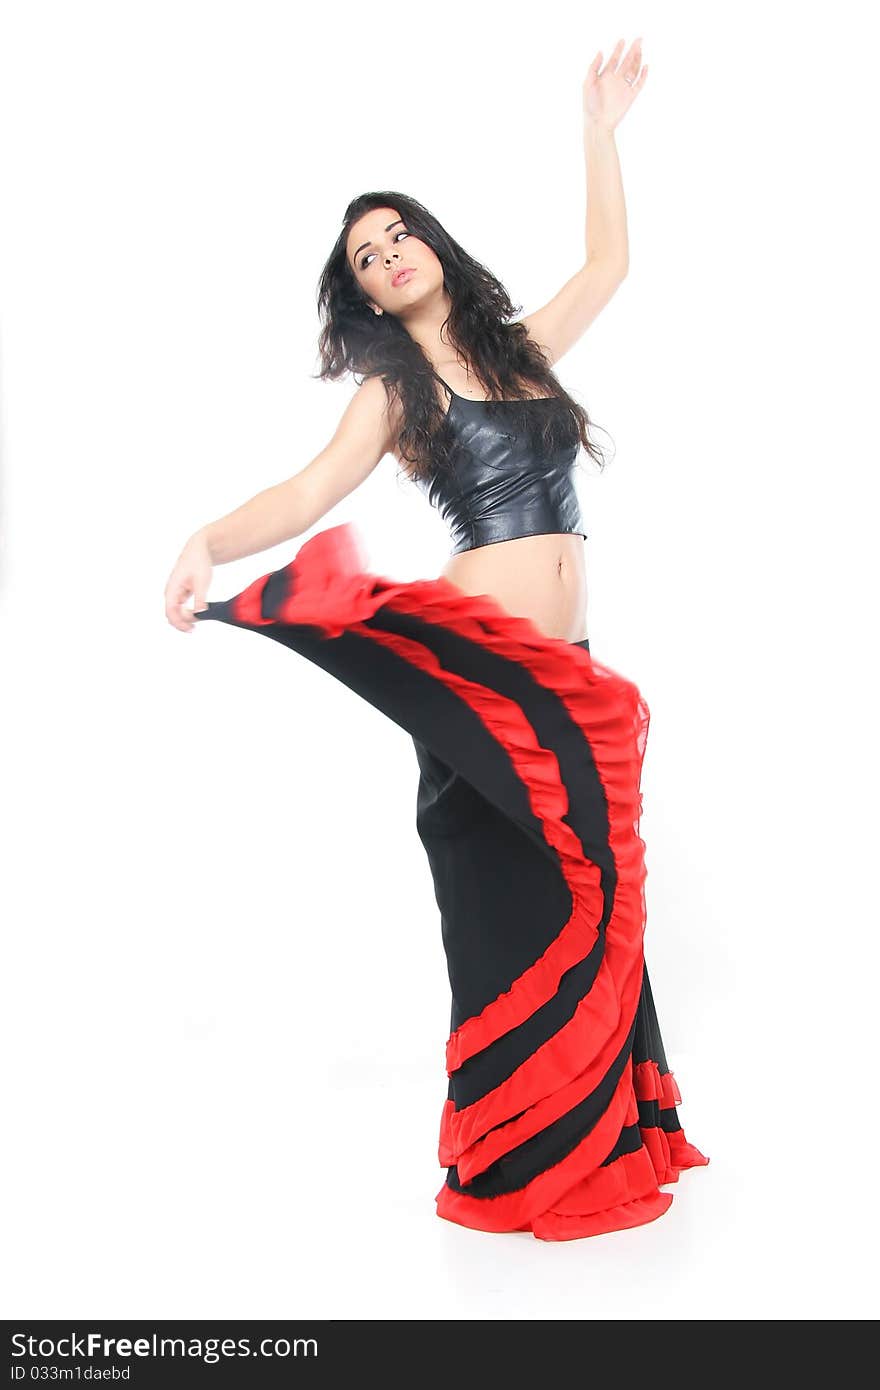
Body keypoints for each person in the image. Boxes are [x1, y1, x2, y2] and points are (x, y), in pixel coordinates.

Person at [164, 39, 708, 1241]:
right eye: (365, 255)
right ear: (365, 296)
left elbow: (610, 261)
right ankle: (522, 1167)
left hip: (564, 674)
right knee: (519, 908)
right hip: (482, 689)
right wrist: (209, 535)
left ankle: (599, 1138)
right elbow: (305, 499)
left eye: (396, 230)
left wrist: (598, 133)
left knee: (596, 895)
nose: (388, 252)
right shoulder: (393, 394)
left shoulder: (518, 352)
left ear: (431, 242)